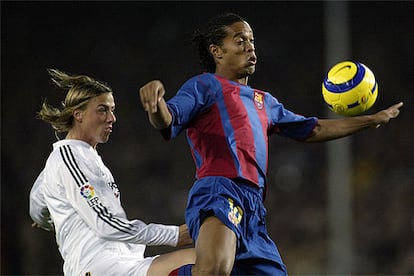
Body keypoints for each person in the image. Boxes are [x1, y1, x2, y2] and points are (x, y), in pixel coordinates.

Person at [139, 13, 403, 276]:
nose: (250, 46)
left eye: (251, 40)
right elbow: (169, 118)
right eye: (240, 40)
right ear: (217, 51)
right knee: (212, 270)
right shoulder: (205, 85)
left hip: (254, 207)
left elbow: (313, 128)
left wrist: (369, 120)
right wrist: (156, 107)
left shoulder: (265, 102)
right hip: (220, 189)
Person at [29, 69, 196, 276]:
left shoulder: (85, 158)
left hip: (122, 263)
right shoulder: (68, 156)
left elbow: (37, 201)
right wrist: (175, 235)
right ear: (78, 114)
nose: (112, 118)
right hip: (100, 267)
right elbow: (105, 223)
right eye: (102, 110)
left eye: (112, 110)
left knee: (211, 261)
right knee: (205, 262)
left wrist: (46, 215)